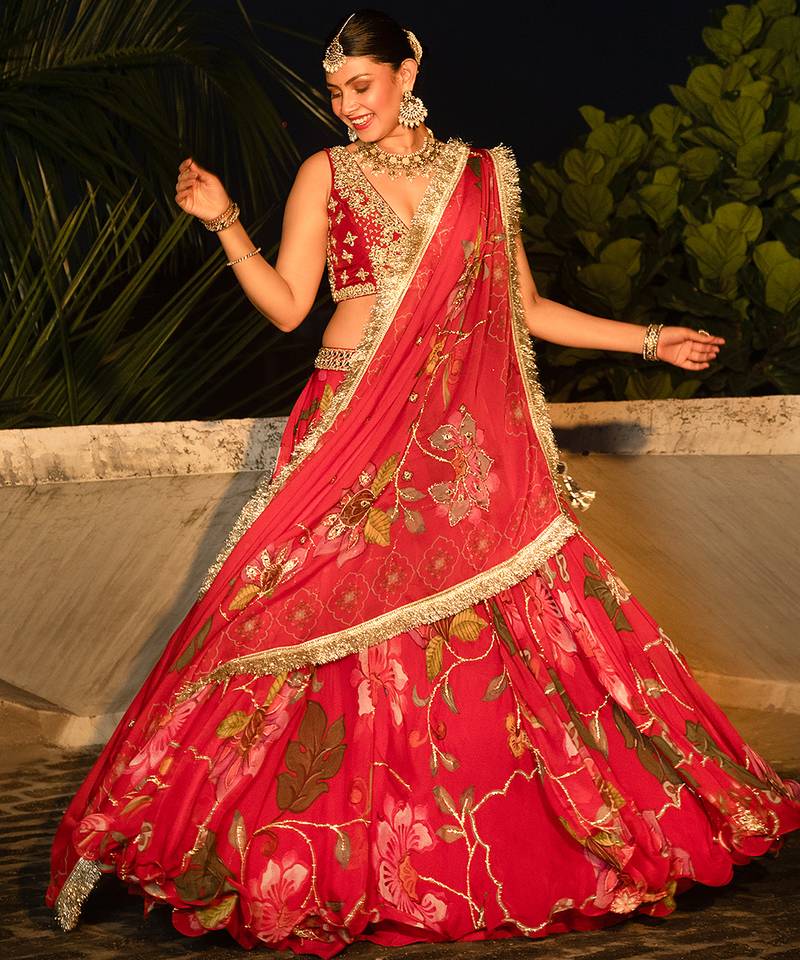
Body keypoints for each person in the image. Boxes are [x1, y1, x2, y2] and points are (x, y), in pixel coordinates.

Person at [46, 8, 800, 956]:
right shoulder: (326, 172)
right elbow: (288, 307)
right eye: (335, 93)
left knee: (478, 620)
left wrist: (650, 339)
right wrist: (225, 222)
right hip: (350, 424)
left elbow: (525, 308)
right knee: (278, 608)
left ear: (408, 71)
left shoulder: (482, 175)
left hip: (450, 442)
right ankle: (243, 837)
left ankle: (451, 845)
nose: (347, 106)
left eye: (361, 86)